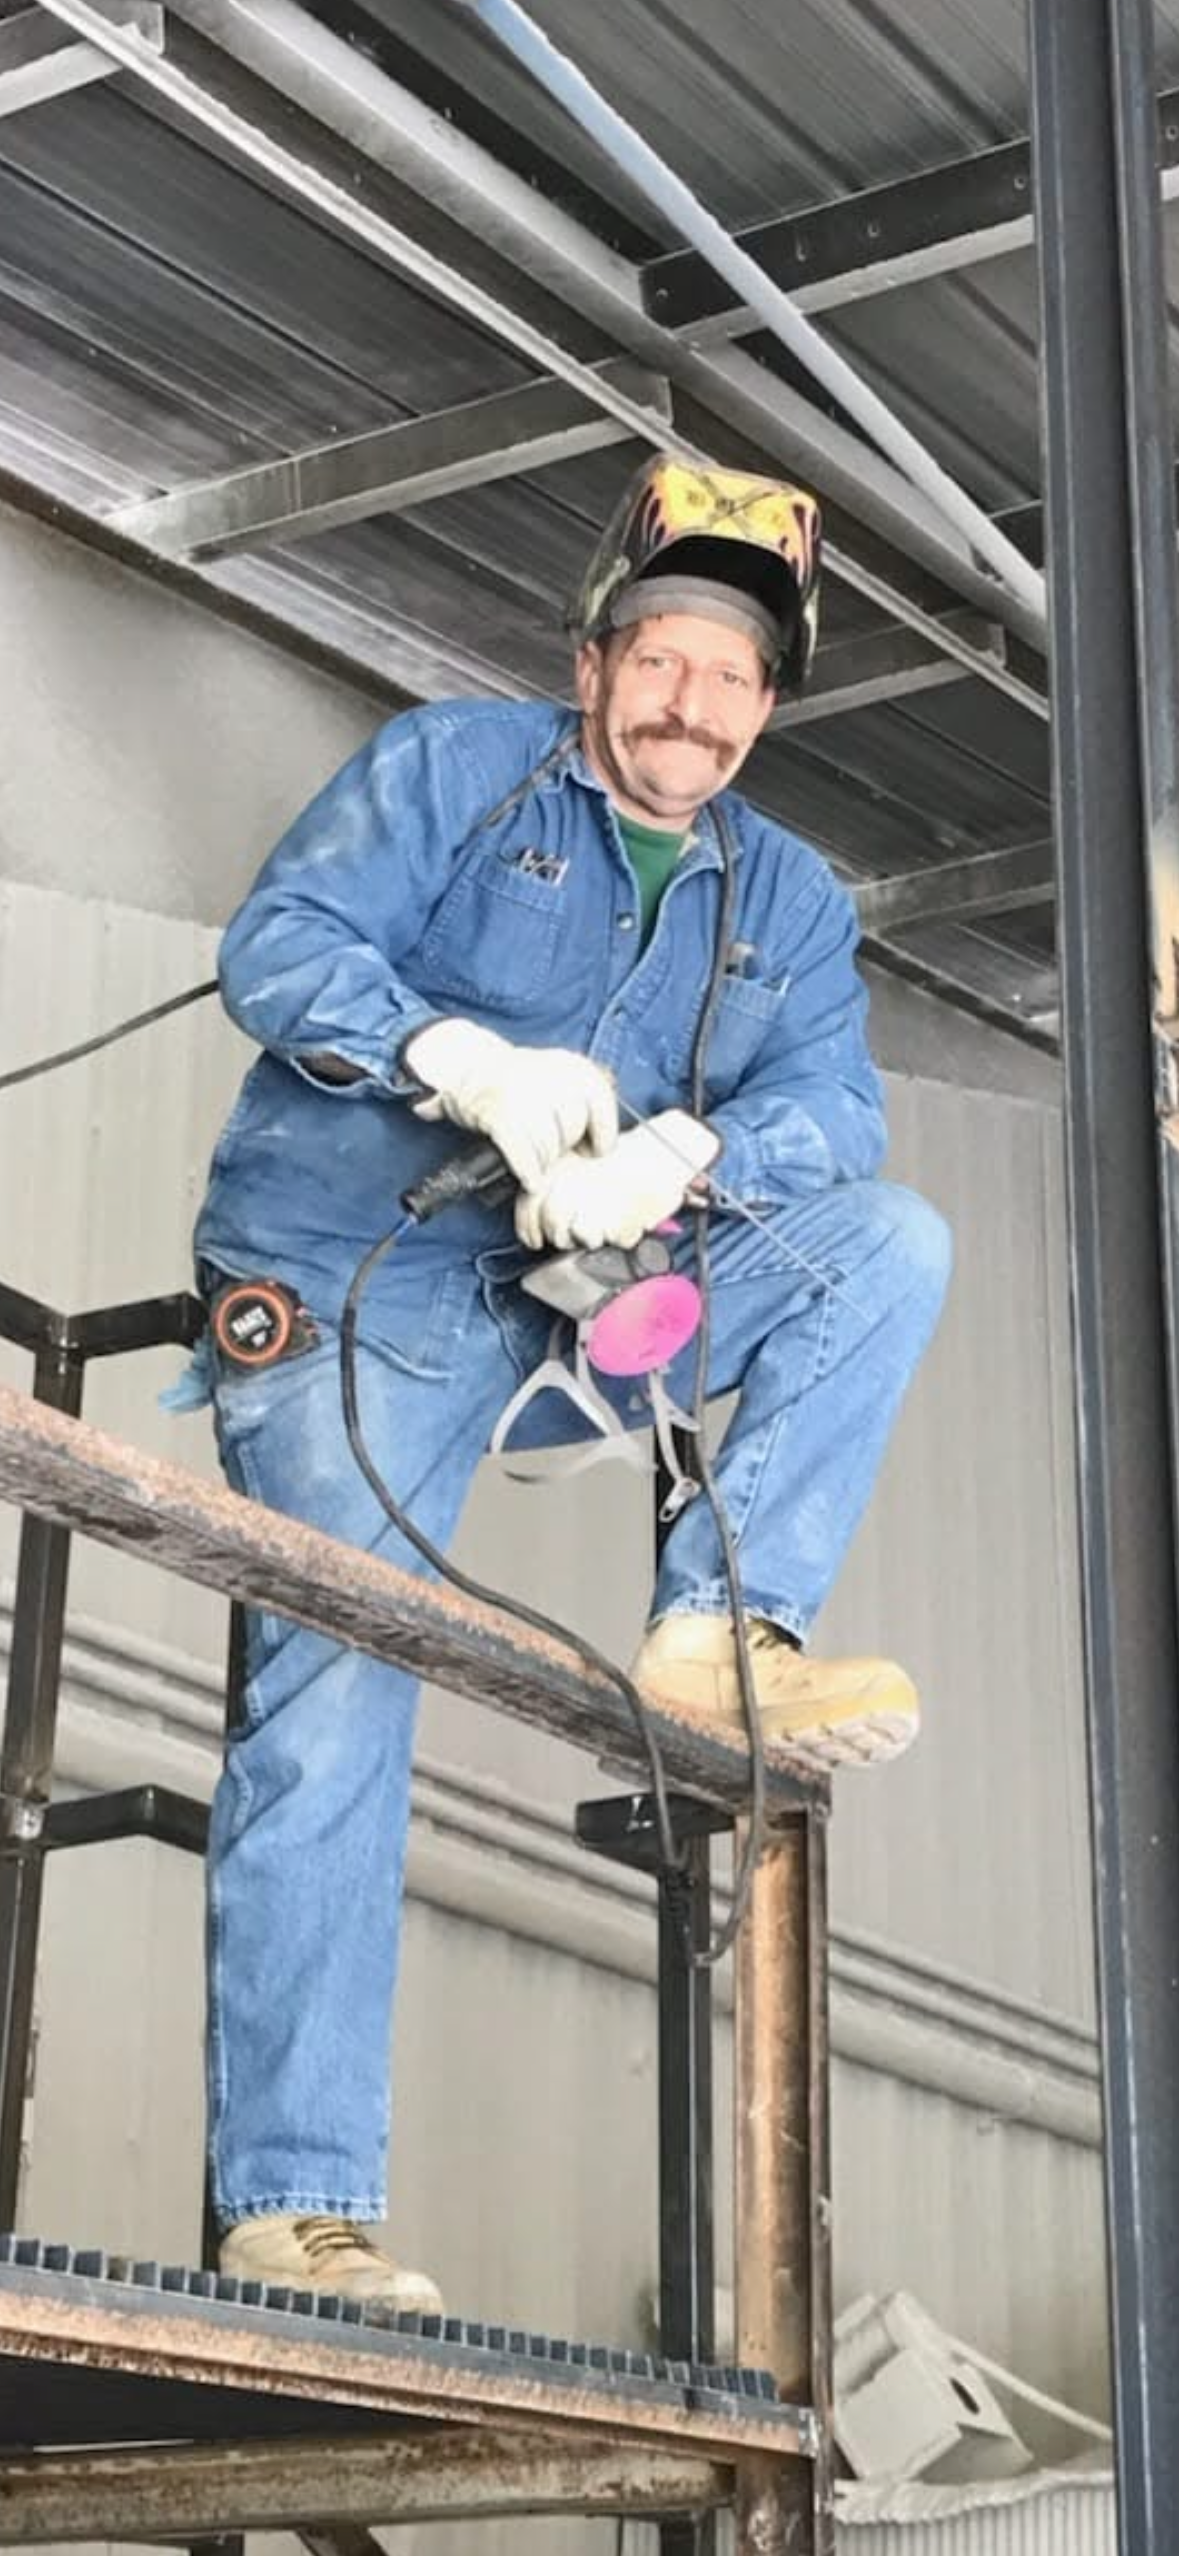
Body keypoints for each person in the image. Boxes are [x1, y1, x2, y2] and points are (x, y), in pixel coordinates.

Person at [191, 454, 951, 2314]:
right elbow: (279, 947)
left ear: (768, 705)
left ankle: (716, 1630)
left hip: (580, 1307)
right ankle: (297, 2203)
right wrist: (451, 1056)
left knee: (886, 1243)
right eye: (662, 657)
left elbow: (837, 1105)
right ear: (595, 657)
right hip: (358, 1288)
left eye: (733, 675)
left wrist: (692, 1156)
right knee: (338, 1687)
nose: (691, 701)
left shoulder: (785, 895)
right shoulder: (454, 768)